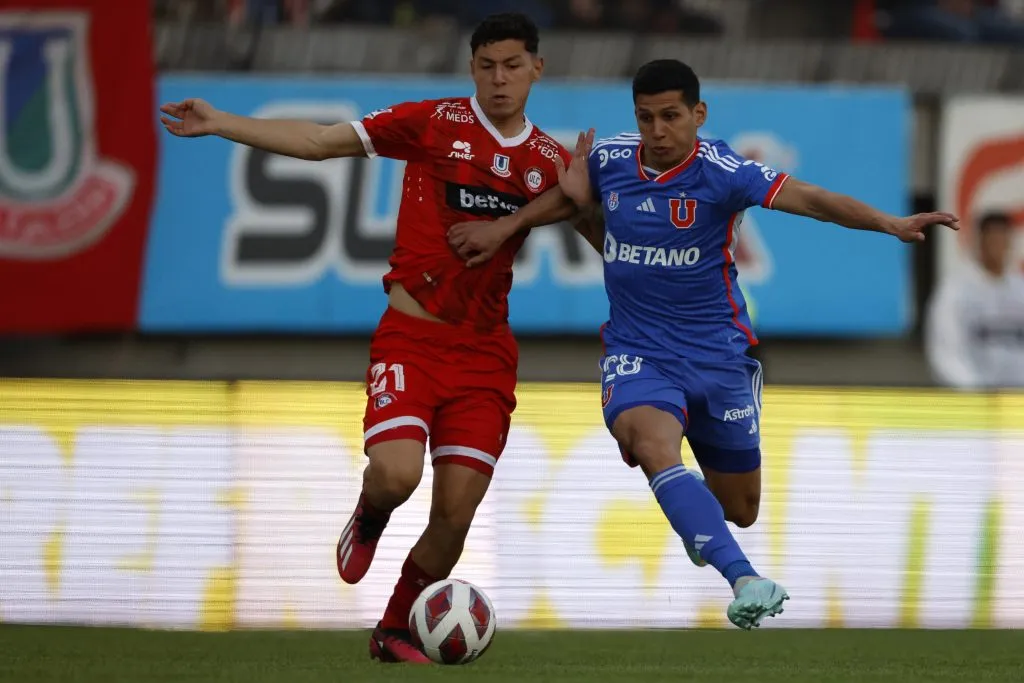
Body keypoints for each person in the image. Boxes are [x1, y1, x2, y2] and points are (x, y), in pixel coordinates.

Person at [447, 58, 960, 629]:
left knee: (740, 509)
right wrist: (532, 219)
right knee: (650, 442)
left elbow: (813, 200)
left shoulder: (725, 172)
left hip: (717, 358)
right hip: (638, 351)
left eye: (671, 116)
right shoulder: (611, 160)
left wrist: (890, 223)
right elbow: (575, 207)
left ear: (699, 113)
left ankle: (702, 523)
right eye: (646, 118)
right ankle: (744, 578)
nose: (658, 131)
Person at [160, 13, 586, 662]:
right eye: (487, 66)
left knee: (456, 514)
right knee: (395, 474)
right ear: (472, 68)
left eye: (512, 66)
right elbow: (318, 142)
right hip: (412, 340)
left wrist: (591, 202)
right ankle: (371, 510)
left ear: (537, 68)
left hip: (484, 356)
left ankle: (392, 631)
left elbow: (606, 237)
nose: (500, 79)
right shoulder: (433, 123)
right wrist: (222, 122)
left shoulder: (552, 162)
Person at [926, 211, 1024, 389]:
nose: (998, 245)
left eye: (1003, 237)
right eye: (992, 238)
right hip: (975, 397)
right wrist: (977, 393)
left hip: (1018, 397)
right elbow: (945, 351)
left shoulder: (1020, 289)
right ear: (979, 241)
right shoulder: (956, 290)